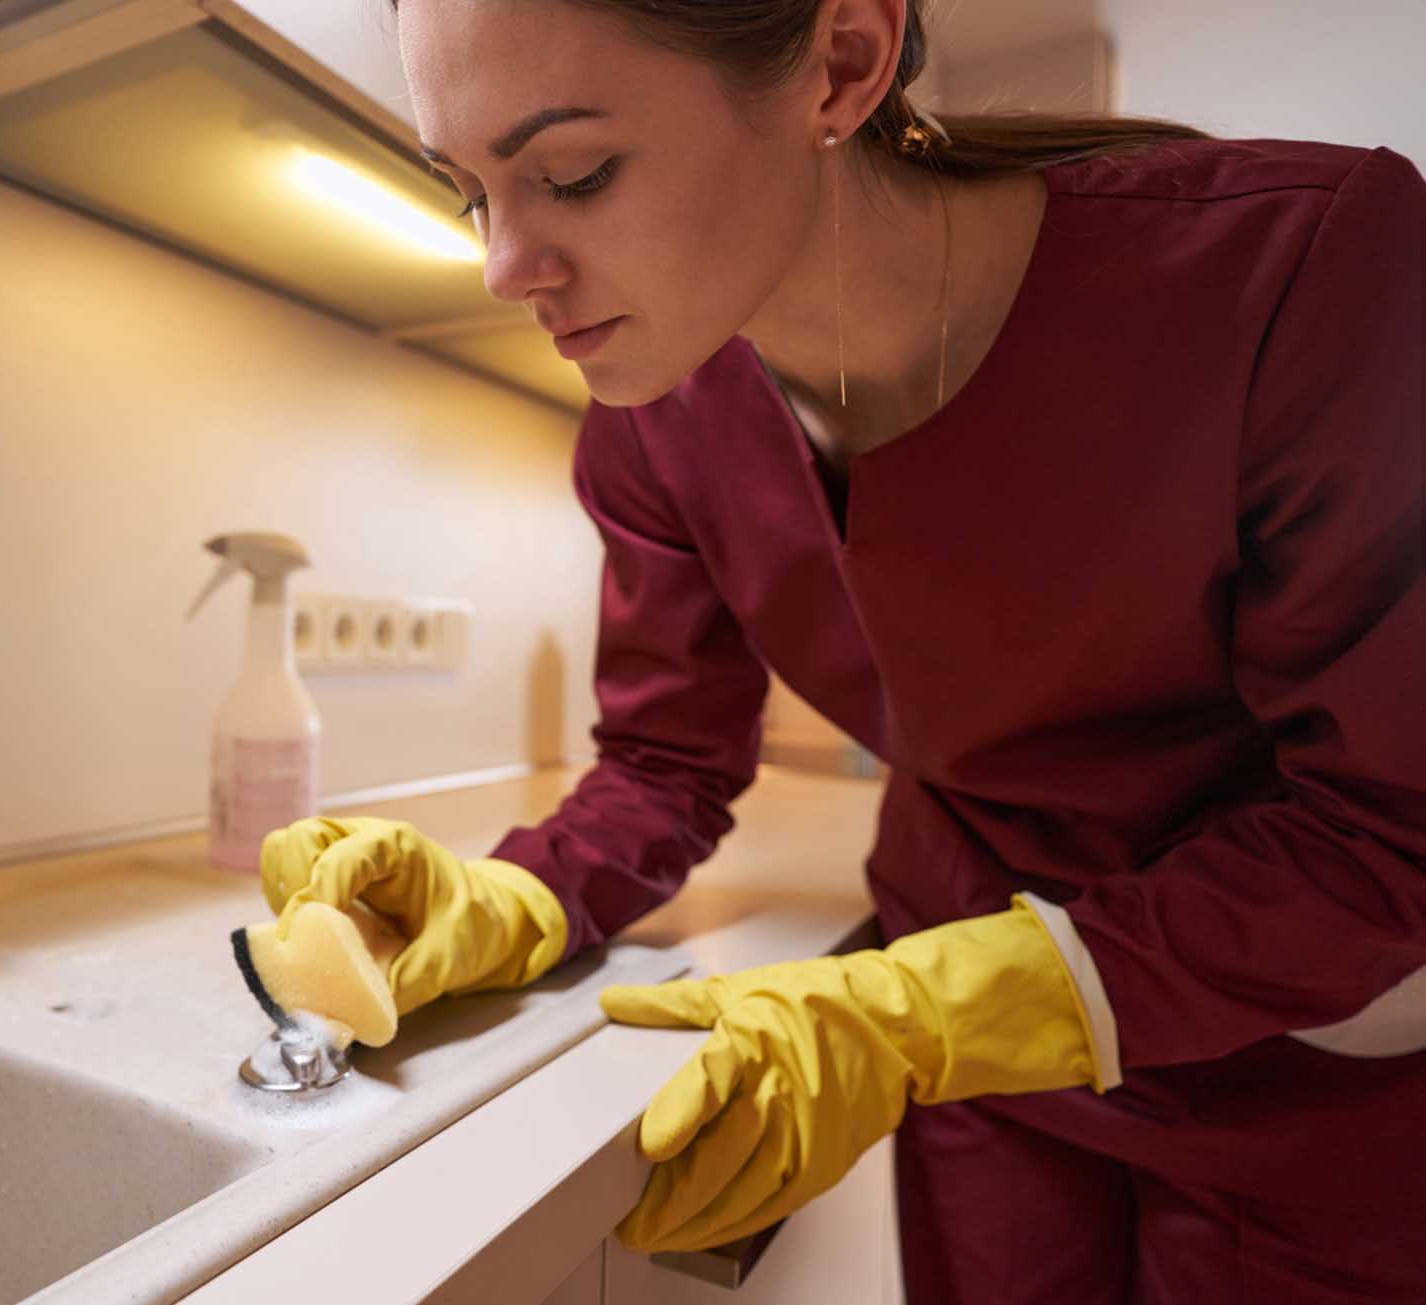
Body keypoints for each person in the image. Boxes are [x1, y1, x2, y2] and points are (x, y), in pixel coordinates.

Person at [257, 0, 1426, 1299]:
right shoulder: (653, 418)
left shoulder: (1302, 262)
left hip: (1288, 1054)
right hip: (967, 1042)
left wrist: (921, 1012)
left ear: (843, 62)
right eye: (470, 192)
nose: (499, 265)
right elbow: (662, 760)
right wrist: (516, 896)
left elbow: (1385, 826)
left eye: (572, 172)